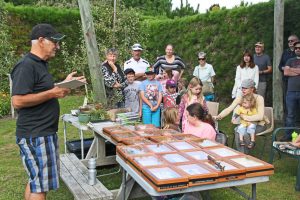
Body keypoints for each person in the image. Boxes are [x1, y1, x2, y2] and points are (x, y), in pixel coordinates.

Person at [11, 24, 85, 200]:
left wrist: (62, 85)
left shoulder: (40, 64)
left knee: (35, 181)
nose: (57, 47)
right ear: (41, 40)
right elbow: (17, 101)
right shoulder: (26, 65)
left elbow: (39, 91)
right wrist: (52, 92)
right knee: (40, 187)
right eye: (55, 42)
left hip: (41, 133)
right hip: (37, 134)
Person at [215, 79, 268, 154]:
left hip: (259, 124)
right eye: (242, 88)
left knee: (242, 132)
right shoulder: (241, 97)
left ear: (252, 88)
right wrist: (219, 116)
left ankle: (243, 154)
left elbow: (260, 116)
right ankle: (243, 154)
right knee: (239, 130)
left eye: (245, 88)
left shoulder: (259, 98)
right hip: (245, 124)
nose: (243, 90)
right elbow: (229, 109)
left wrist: (245, 117)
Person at [280, 41, 300, 141]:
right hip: (291, 92)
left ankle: (298, 137)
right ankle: (288, 135)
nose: (297, 49)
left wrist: (292, 70)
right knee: (290, 115)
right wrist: (298, 71)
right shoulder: (290, 60)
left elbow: (289, 70)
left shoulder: (291, 64)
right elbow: (286, 72)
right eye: (296, 48)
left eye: (299, 48)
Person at [278, 35, 299, 116]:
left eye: (292, 40)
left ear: (297, 41)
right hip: (287, 81)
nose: (290, 42)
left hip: (298, 81)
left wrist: (289, 69)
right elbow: (280, 66)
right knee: (288, 102)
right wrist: (289, 70)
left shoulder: (298, 52)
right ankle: (289, 123)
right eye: (289, 41)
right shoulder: (285, 52)